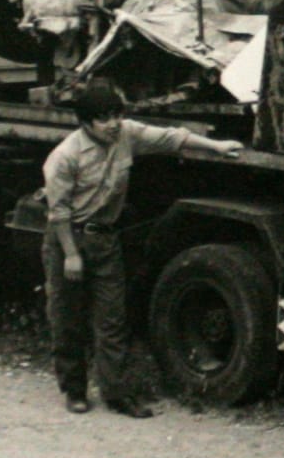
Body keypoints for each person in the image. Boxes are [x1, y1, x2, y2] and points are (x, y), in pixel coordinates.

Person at [43, 78, 242, 417]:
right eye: (103, 118)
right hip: (69, 239)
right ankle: (74, 389)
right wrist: (72, 255)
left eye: (116, 115)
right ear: (86, 122)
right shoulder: (64, 157)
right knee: (68, 318)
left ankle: (116, 393)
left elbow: (171, 138)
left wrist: (217, 146)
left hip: (105, 238)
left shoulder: (126, 134)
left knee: (112, 319)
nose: (113, 123)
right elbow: (58, 212)